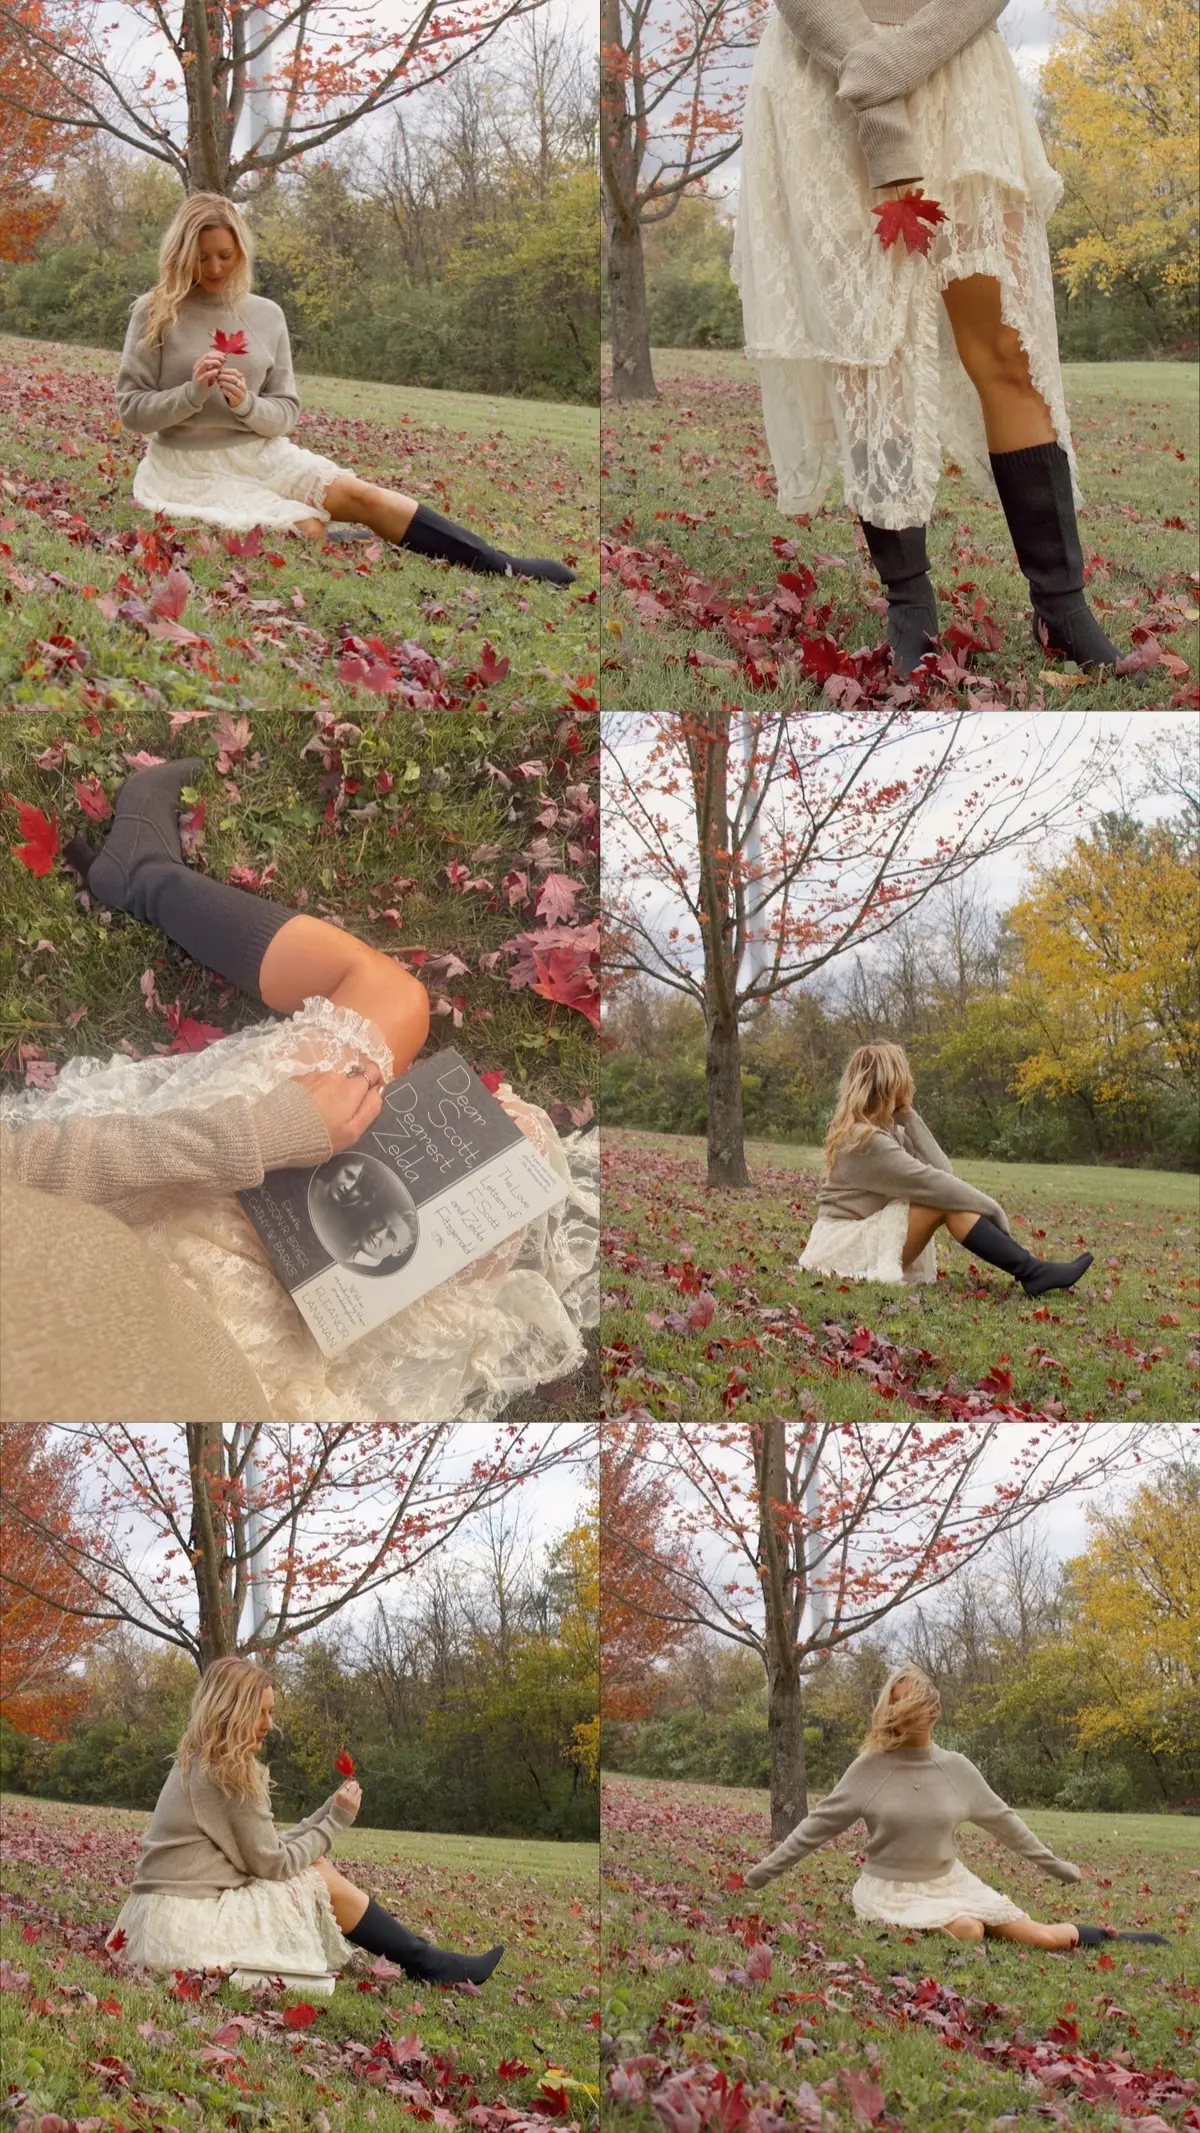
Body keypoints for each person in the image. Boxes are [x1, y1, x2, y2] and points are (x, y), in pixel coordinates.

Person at [0, 759, 597, 1422]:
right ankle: (146, 877)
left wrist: (264, 1132)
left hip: (171, 1262)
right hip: (277, 1363)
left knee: (479, 1138)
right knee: (426, 1045)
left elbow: (22, 1170)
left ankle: (145, 877)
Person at [732, 0, 1127, 676]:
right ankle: (909, 604)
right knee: (869, 351)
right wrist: (872, 88)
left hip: (957, 59)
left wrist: (891, 65)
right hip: (825, 71)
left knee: (1006, 344)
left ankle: (1062, 609)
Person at [115, 192, 575, 584]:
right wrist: (192, 393)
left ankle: (502, 565)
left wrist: (247, 404)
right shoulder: (155, 312)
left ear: (241, 253)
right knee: (306, 530)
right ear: (180, 253)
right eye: (201, 256)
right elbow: (132, 411)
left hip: (261, 453)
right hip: (185, 466)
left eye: (225, 255)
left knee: (362, 496)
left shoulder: (266, 315)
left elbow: (287, 411)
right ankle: (332, 532)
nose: (215, 267)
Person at [105, 1657, 503, 1996]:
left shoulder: (197, 1760)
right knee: (316, 1874)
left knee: (314, 1866)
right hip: (188, 1929)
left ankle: (427, 1960)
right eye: (260, 1712)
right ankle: (429, 1962)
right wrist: (336, 1821)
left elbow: (263, 1846)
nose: (268, 1724)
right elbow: (273, 1865)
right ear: (233, 1712)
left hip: (152, 1920)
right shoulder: (228, 1775)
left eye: (270, 1711)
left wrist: (327, 1812)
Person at [744, 1664, 1168, 1950]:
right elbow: (816, 1826)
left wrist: (1055, 1865)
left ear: (933, 1709)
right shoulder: (869, 1769)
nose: (909, 1714)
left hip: (949, 1882)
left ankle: (1120, 1938)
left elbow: (1005, 1822)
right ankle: (956, 1923)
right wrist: (763, 1873)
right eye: (899, 1704)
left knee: (1040, 1938)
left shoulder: (956, 1769)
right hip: (891, 1890)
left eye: (916, 1703)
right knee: (969, 1930)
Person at [799, 1042, 1093, 1295]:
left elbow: (942, 1171)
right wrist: (993, 1209)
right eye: (903, 1081)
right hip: (841, 1247)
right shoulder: (864, 1141)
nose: (908, 1087)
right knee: (937, 1202)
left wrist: (910, 1119)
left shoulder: (887, 1132)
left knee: (940, 1200)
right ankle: (1032, 1272)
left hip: (865, 1234)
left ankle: (1033, 1271)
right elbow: (934, 1184)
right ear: (890, 1085)